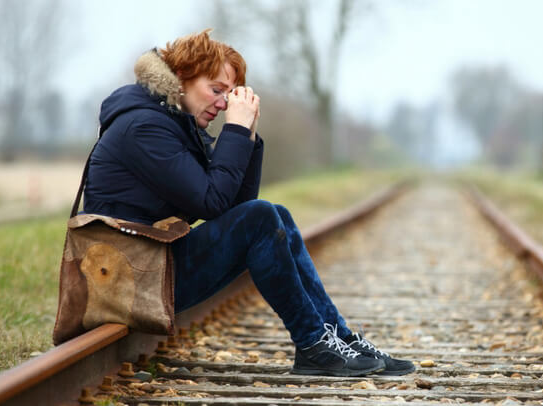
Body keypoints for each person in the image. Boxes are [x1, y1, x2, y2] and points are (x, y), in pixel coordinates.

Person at [82, 29, 414, 377]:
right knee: (262, 217)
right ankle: (313, 343)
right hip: (125, 280)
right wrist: (235, 132)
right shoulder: (143, 127)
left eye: (229, 94)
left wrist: (248, 135)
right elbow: (214, 203)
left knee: (275, 216)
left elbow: (233, 208)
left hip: (152, 265)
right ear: (181, 77)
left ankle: (337, 338)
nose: (224, 104)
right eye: (216, 90)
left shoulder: (174, 123)